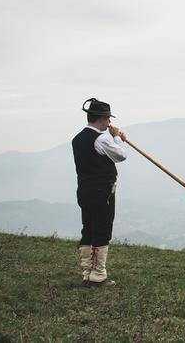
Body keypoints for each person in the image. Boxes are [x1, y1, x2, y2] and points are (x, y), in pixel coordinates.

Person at [72, 98, 127, 287]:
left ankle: (87, 272)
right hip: (102, 192)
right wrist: (117, 138)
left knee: (87, 229)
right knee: (102, 230)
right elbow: (121, 155)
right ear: (102, 119)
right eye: (108, 119)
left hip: (84, 191)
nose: (109, 123)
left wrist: (115, 139)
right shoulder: (101, 138)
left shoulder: (78, 139)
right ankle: (98, 275)